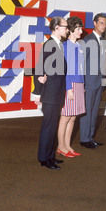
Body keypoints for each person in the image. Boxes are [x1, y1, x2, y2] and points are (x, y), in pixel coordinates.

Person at [33, 17, 69, 169]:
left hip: (56, 93)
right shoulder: (50, 45)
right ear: (56, 28)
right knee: (49, 126)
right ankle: (44, 158)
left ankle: (49, 156)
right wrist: (37, 92)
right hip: (50, 93)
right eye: (65, 27)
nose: (67, 29)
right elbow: (40, 68)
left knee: (52, 125)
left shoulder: (58, 44)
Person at [57, 17, 85, 158]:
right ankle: (60, 146)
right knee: (65, 117)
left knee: (73, 117)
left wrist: (82, 85)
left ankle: (67, 146)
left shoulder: (79, 46)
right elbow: (65, 70)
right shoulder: (66, 46)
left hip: (79, 84)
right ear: (72, 30)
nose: (81, 31)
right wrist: (68, 88)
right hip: (70, 85)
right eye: (79, 29)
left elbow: (81, 68)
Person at [79, 13, 106, 149]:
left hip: (98, 83)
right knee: (87, 112)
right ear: (94, 23)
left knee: (94, 111)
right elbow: (81, 63)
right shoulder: (87, 40)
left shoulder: (103, 42)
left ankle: (90, 137)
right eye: (101, 23)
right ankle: (84, 139)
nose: (104, 25)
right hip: (89, 83)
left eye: (105, 23)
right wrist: (83, 83)